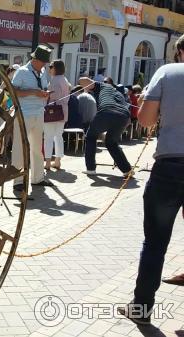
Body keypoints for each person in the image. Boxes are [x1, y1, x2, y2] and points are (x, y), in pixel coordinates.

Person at [118, 36, 184, 325]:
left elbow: (144, 120)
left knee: (156, 242)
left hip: (170, 167)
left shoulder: (168, 72)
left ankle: (142, 308)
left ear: (180, 52)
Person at [10, 45, 53, 191]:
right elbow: (13, 91)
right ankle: (17, 181)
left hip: (39, 112)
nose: (45, 64)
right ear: (34, 59)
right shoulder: (22, 71)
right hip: (24, 113)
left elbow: (43, 89)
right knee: (19, 147)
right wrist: (34, 92)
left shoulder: (42, 72)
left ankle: (37, 178)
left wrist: (45, 93)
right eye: (43, 61)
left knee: (37, 147)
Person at [78, 77, 133, 177]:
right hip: (124, 116)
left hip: (106, 111)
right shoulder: (119, 94)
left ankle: (90, 169)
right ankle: (127, 170)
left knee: (90, 136)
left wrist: (90, 85)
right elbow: (128, 119)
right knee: (111, 143)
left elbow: (83, 80)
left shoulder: (103, 86)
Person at [44, 60, 70, 170]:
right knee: (58, 136)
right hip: (63, 110)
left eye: (51, 66)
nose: (49, 68)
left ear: (55, 68)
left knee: (48, 137)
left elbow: (51, 96)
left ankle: (48, 162)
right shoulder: (64, 79)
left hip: (53, 110)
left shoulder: (54, 80)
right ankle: (58, 161)